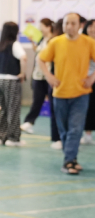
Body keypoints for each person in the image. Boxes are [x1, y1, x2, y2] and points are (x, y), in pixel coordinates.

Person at [38, 13, 95, 174]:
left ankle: (68, 162)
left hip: (81, 93)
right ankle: (72, 158)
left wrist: (92, 77)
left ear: (80, 25)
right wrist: (49, 76)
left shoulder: (89, 42)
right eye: (66, 23)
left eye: (73, 23)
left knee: (75, 129)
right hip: (60, 93)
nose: (69, 26)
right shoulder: (56, 42)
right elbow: (41, 59)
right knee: (64, 130)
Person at [0, 22, 27, 146]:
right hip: (11, 80)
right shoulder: (15, 44)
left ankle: (0, 137)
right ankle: (13, 138)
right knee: (13, 109)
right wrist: (22, 73)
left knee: (0, 109)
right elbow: (24, 57)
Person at [21, 18, 54, 134]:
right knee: (37, 101)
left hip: (49, 76)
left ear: (49, 27)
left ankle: (56, 130)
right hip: (38, 76)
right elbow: (38, 52)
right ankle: (29, 122)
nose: (40, 29)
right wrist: (32, 42)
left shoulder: (53, 40)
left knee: (54, 104)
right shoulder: (41, 39)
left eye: (42, 26)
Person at [49, 19, 64, 150]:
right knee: (56, 112)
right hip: (56, 82)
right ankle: (57, 138)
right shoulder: (55, 42)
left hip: (67, 84)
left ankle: (61, 138)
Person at [81, 19, 95, 145]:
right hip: (85, 80)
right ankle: (87, 134)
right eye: (90, 26)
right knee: (88, 107)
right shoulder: (82, 42)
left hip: (93, 78)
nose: (92, 29)